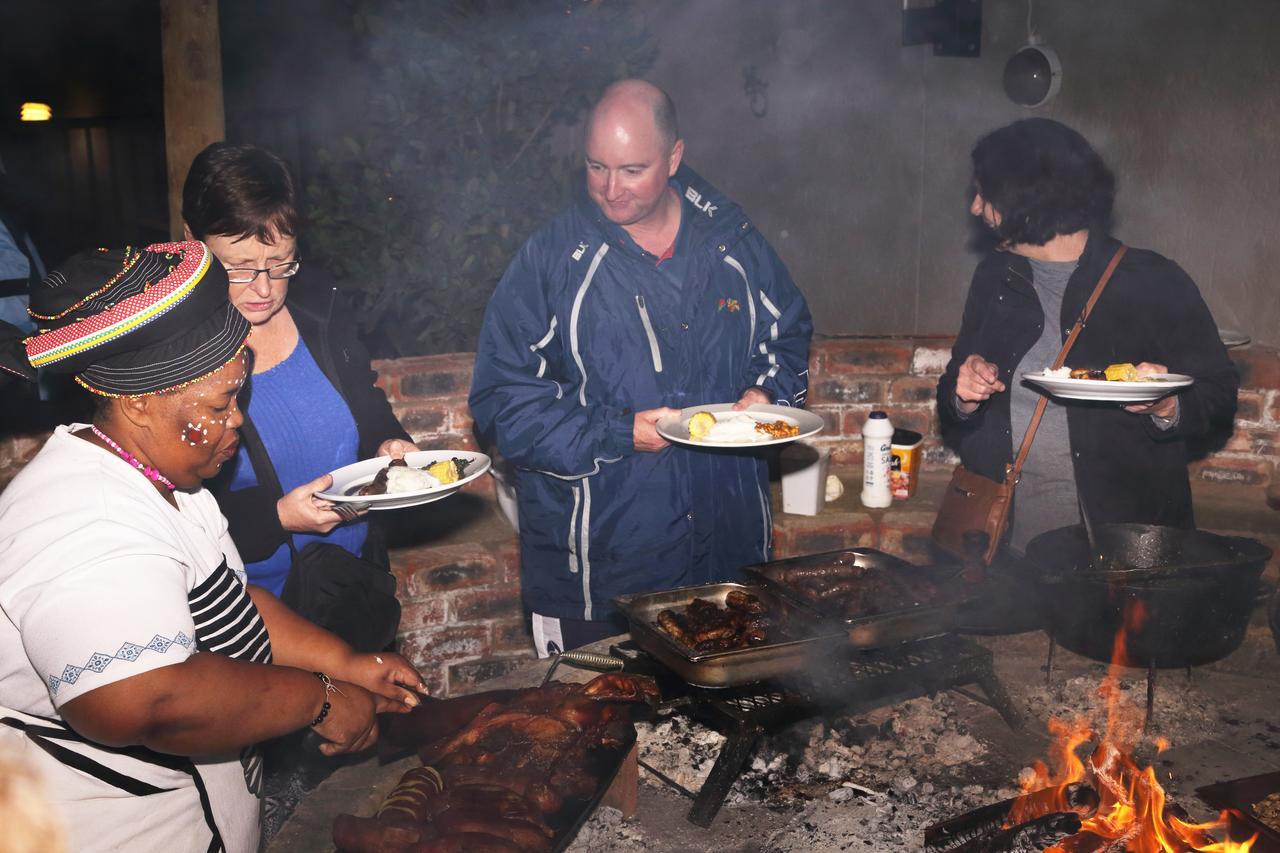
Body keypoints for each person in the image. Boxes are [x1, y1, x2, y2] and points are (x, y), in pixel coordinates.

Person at [0, 241, 426, 852]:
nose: (237, 422)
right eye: (222, 404)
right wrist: (319, 699)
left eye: (239, 398)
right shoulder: (86, 520)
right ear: (138, 401)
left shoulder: (171, 479)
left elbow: (225, 599)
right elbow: (144, 699)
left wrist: (342, 662)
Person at [470, 79, 812, 653]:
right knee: (599, 738)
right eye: (595, 166)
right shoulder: (552, 260)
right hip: (596, 581)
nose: (610, 189)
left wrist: (767, 393)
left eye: (632, 170)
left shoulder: (734, 243)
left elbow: (787, 335)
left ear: (674, 157)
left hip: (727, 562)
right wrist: (618, 431)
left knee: (718, 734)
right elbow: (504, 404)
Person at [936, 118, 1238, 555]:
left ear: (1024, 198)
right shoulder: (994, 277)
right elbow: (952, 397)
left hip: (1119, 556)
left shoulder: (1154, 280)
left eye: (985, 193)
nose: (976, 208)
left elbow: (1219, 398)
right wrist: (963, 396)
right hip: (1004, 551)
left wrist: (1168, 404)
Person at [182, 142, 416, 600]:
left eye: (280, 262)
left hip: (353, 581)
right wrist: (277, 518)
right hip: (254, 603)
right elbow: (172, 502)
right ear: (194, 243)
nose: (265, 289)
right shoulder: (176, 349)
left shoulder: (320, 306)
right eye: (241, 268)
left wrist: (387, 442)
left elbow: (364, 402)